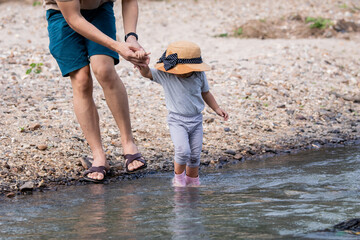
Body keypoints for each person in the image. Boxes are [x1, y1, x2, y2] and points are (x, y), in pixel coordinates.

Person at [43, 0, 149, 183]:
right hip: (63, 15)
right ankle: (98, 155)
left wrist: (131, 38)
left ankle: (128, 142)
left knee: (105, 70)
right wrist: (118, 46)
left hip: (99, 10)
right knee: (82, 80)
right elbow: (74, 18)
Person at [137, 41, 229, 187]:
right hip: (177, 120)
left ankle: (193, 182)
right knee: (182, 151)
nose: (184, 73)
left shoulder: (199, 74)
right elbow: (147, 73)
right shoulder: (166, 74)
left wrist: (217, 108)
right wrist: (142, 65)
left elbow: (206, 93)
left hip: (196, 120)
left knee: (194, 156)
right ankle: (178, 180)